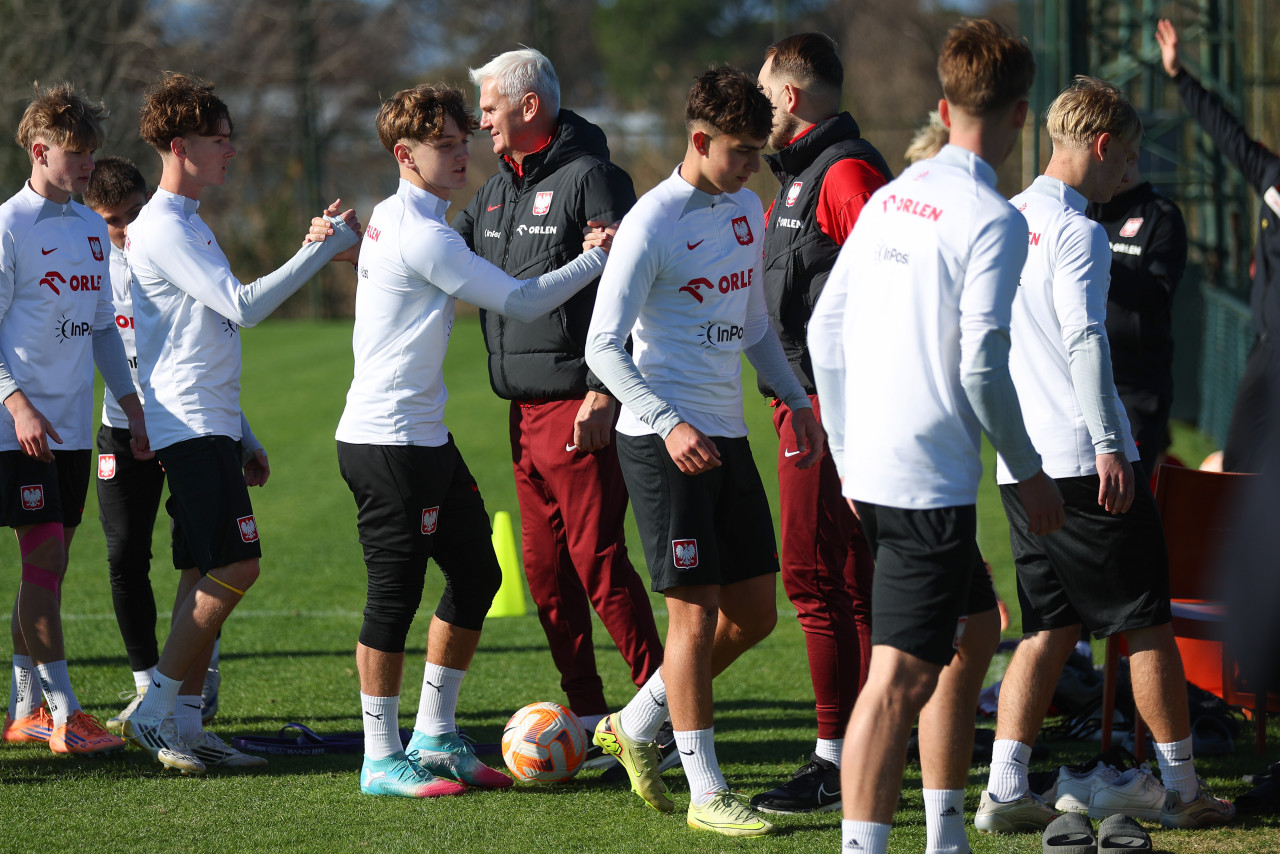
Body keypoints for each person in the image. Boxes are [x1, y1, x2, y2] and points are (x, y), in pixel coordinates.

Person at [808, 19, 1064, 854]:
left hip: (879, 471)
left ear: (945, 107)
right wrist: (1027, 470)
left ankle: (946, 833)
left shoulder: (894, 194)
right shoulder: (992, 216)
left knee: (977, 625)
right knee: (896, 681)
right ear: (1021, 115)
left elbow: (824, 333)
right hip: (926, 480)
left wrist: (847, 452)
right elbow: (982, 362)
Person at [330, 83, 615, 799]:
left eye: (464, 141)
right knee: (393, 597)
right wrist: (596, 258)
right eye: (445, 147)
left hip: (425, 437)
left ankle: (434, 736)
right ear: (405, 155)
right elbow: (520, 301)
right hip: (387, 441)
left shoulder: (404, 218)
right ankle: (378, 757)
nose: (463, 155)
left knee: (478, 575)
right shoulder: (420, 232)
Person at [975, 75, 1234, 834]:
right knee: (1147, 621)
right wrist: (1112, 445)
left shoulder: (1002, 219)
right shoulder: (1077, 231)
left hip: (1022, 464)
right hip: (1084, 462)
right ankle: (1181, 788)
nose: (1130, 170)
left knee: (1050, 628)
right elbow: (1086, 339)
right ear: (1101, 145)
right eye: (1127, 156)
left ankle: (1004, 788)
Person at [585, 66, 824, 839]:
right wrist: (666, 421)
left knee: (754, 614)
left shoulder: (747, 208)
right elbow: (602, 346)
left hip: (725, 435)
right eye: (741, 151)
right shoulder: (652, 222)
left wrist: (794, 399)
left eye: (759, 150)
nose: (754, 164)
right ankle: (706, 790)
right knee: (693, 618)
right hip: (663, 441)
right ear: (698, 140)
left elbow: (753, 325)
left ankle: (634, 724)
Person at [118, 72, 358, 776]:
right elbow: (244, 308)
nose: (230, 150)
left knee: (201, 569)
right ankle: (155, 710)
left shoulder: (190, 221)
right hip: (189, 424)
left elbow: (203, 335)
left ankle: (188, 727)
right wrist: (320, 249)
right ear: (179, 146)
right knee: (238, 564)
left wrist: (242, 431)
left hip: (210, 422)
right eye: (217, 140)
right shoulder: (164, 226)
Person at [453, 48, 664, 744]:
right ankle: (589, 714)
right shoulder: (493, 192)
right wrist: (363, 248)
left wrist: (605, 390)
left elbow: (631, 290)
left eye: (489, 107)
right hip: (521, 417)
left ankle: (664, 712)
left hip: (579, 407)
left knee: (598, 565)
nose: (481, 120)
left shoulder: (594, 178)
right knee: (545, 576)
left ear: (529, 105)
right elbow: (434, 256)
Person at [749, 32, 890, 816]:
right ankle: (873, 742)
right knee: (842, 577)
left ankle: (839, 759)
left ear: (791, 97)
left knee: (814, 575)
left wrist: (842, 406)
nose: (755, 106)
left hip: (830, 413)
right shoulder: (800, 178)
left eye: (762, 91)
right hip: (806, 408)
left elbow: (892, 288)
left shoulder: (843, 173)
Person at [83, 157, 260, 733]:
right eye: (111, 220)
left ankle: (191, 689)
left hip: (180, 422)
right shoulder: (91, 272)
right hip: (121, 429)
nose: (125, 228)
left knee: (204, 554)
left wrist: (243, 431)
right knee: (125, 556)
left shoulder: (164, 249)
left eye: (133, 213)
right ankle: (147, 689)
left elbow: (199, 349)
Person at [1, 84, 147, 757]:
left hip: (70, 428)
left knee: (48, 570)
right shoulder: (10, 226)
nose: (88, 163)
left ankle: (24, 707)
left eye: (92, 152)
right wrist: (17, 403)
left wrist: (131, 403)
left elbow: (102, 329)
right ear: (40, 152)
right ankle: (65, 714)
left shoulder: (91, 228)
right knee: (46, 557)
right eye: (76, 153)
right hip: (18, 429)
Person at [1156, 18, 1279, 473]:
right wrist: (1178, 75)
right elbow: (1228, 134)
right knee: (1236, 462)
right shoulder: (1271, 176)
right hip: (1267, 350)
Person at [1087, 159, 1188, 475]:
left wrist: (1097, 258)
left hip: (1135, 388)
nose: (1123, 167)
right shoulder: (1079, 211)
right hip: (1079, 378)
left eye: (1128, 156)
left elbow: (1157, 296)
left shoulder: (1161, 215)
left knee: (1125, 493)